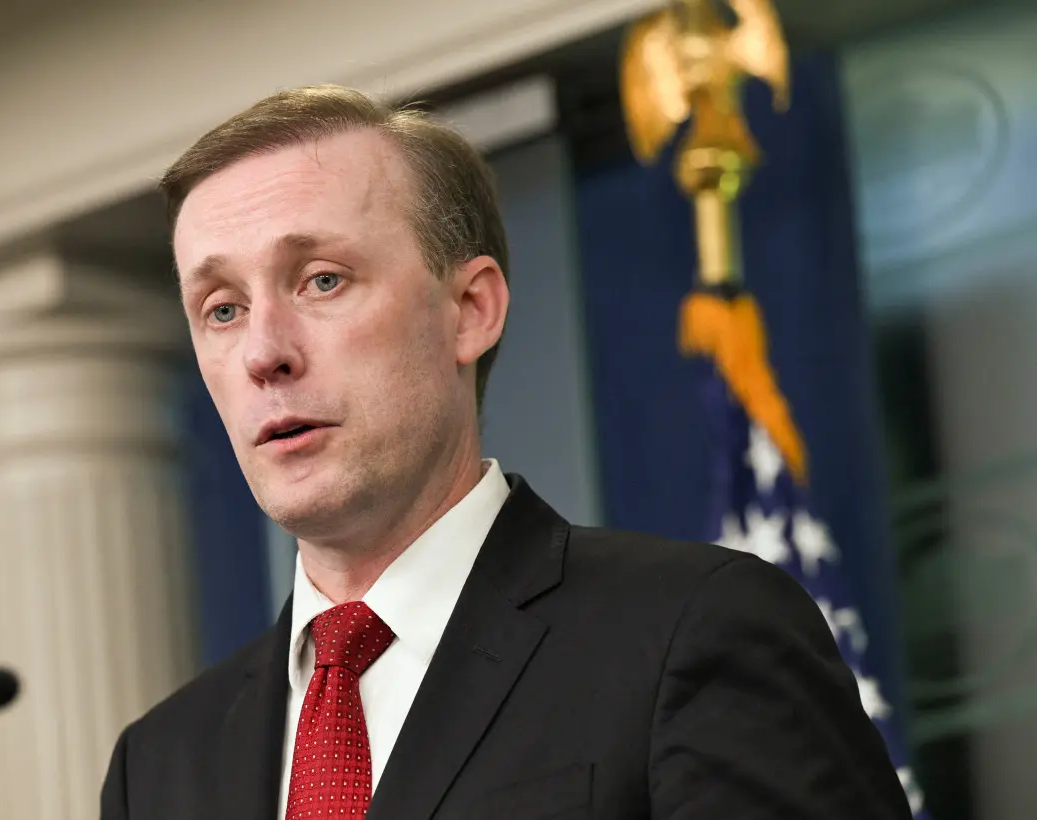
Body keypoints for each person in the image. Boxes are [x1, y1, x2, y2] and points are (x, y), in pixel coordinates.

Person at [99, 84, 913, 820]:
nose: (262, 354)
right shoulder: (159, 766)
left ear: (471, 310)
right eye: (222, 309)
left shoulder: (694, 632)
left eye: (321, 280)